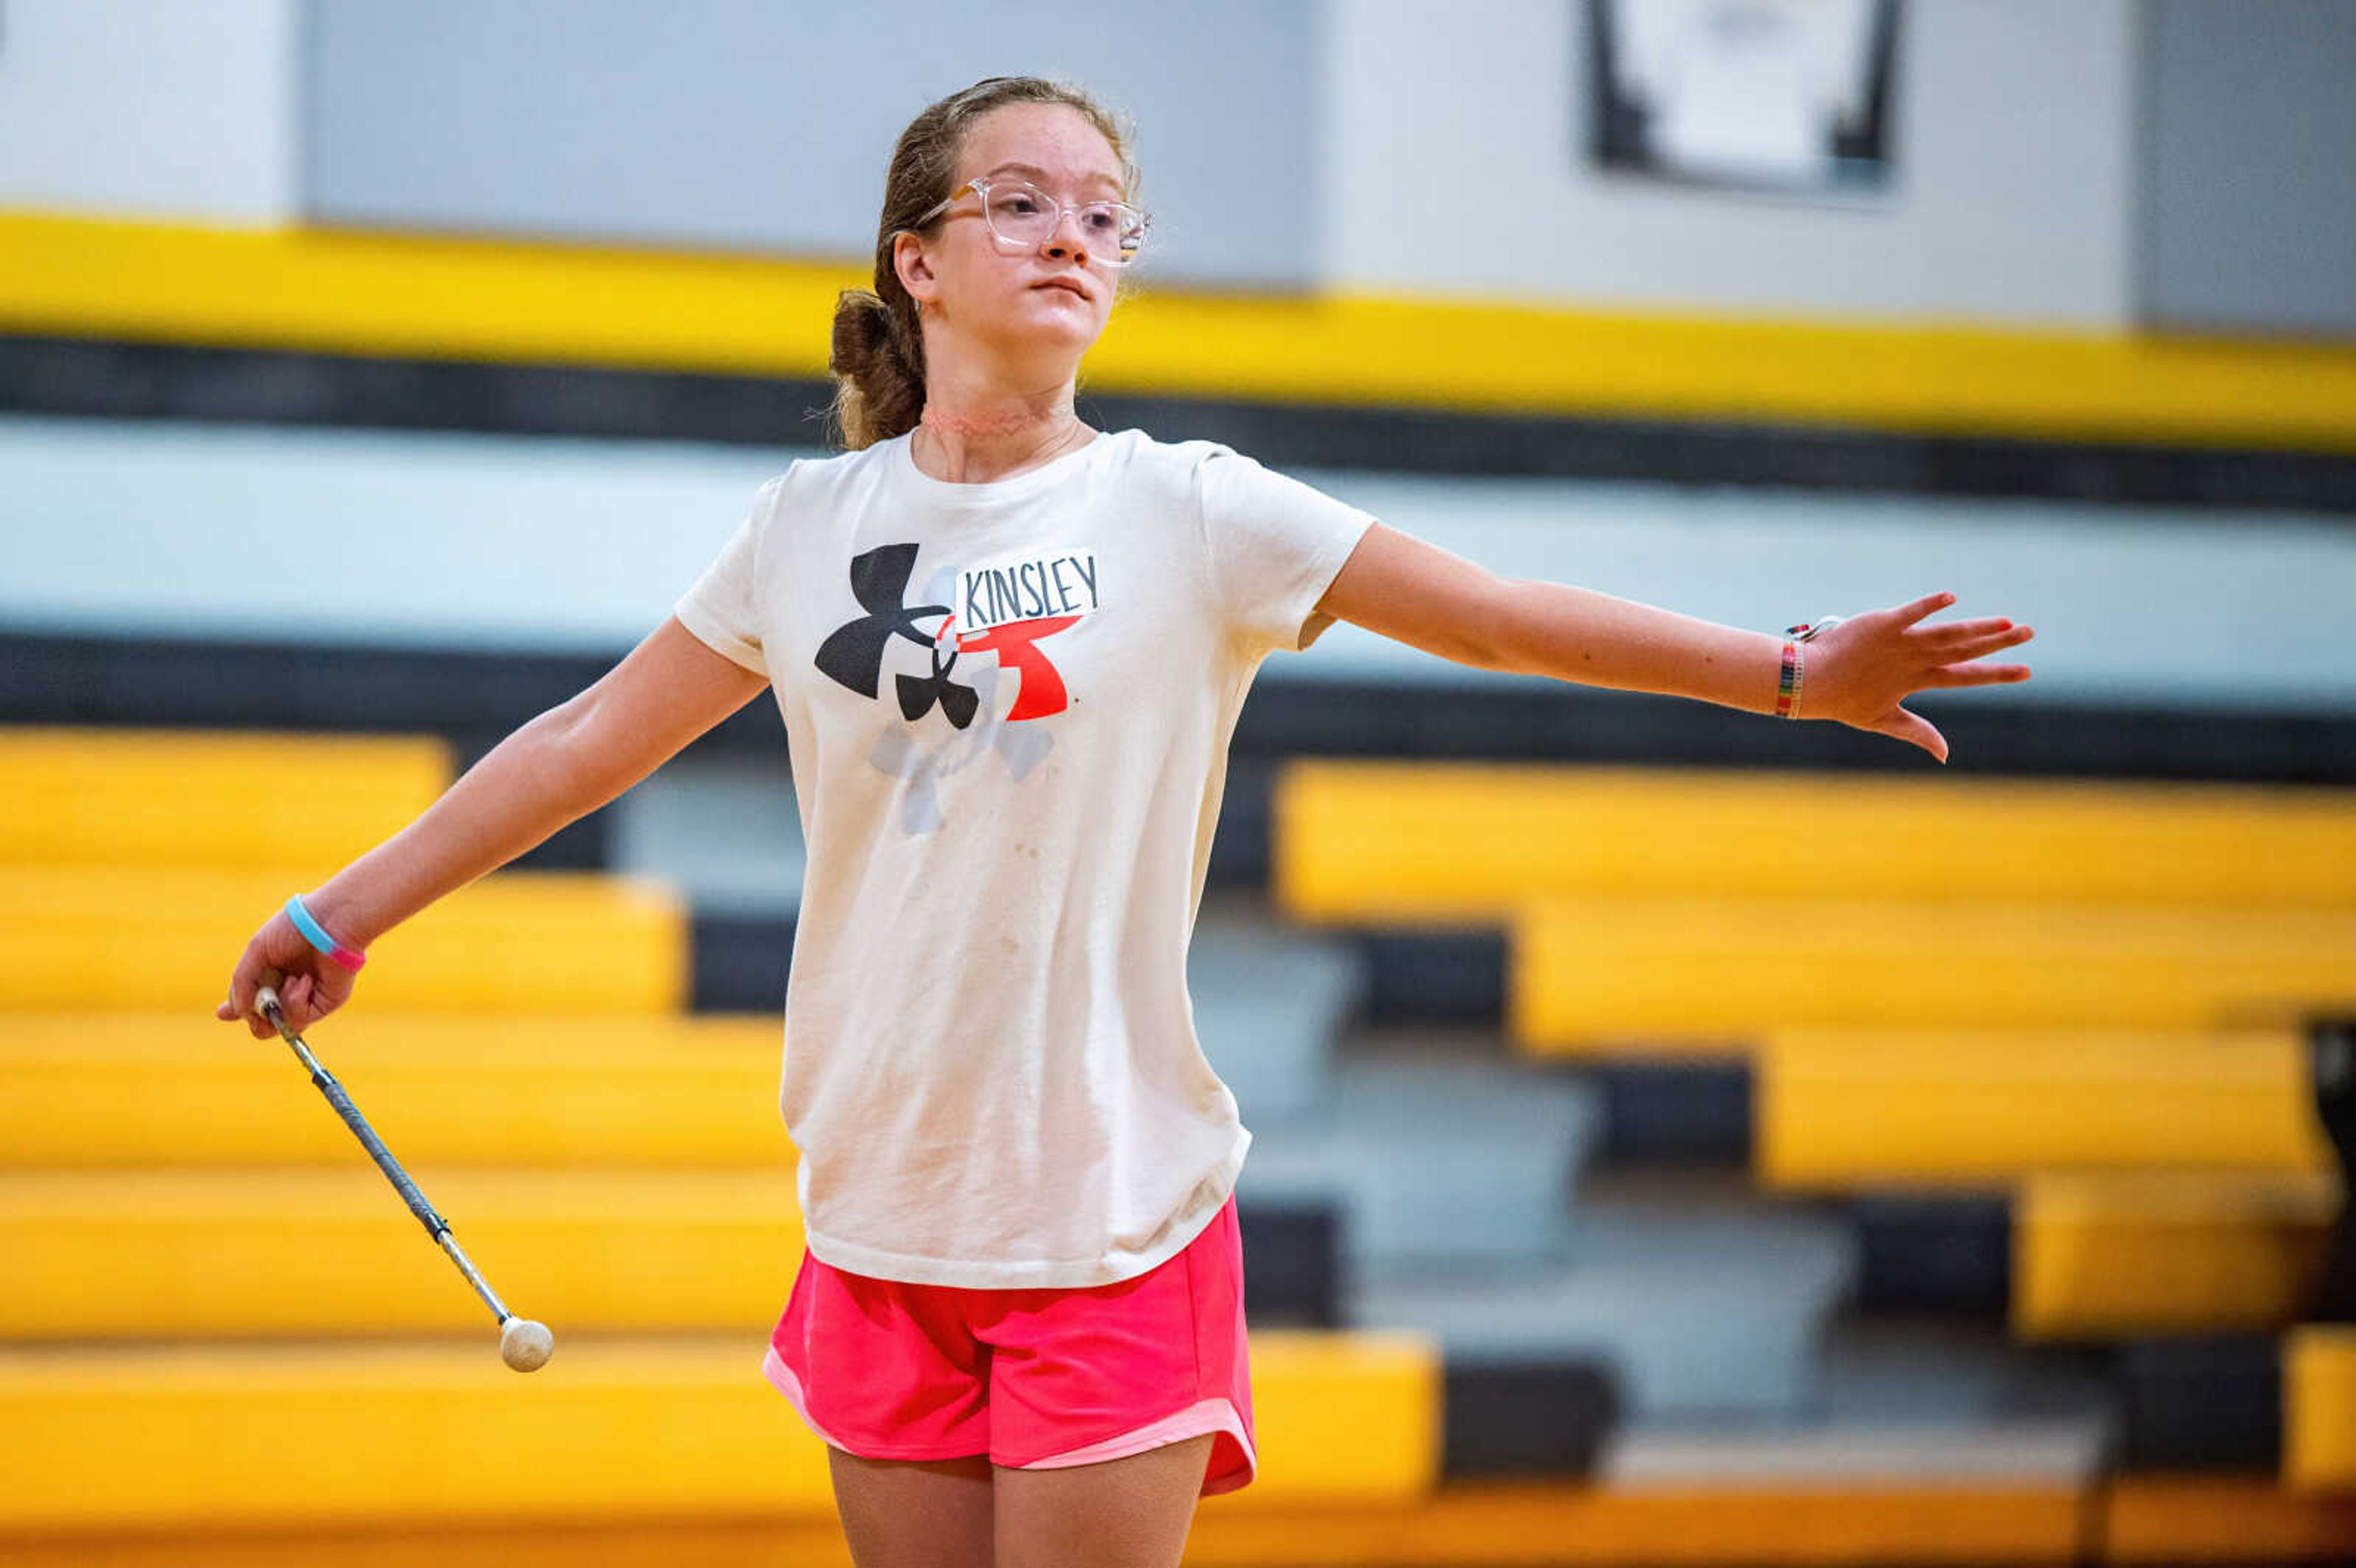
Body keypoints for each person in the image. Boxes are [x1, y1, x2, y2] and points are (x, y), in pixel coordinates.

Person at [217, 74, 2035, 1568]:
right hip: (878, 1214)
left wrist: (1789, 669)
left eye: (1104, 211)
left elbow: (1493, 614)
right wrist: (337, 913)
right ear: (918, 260)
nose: (1074, 231)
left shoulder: (1196, 512)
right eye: (1021, 202)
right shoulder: (805, 523)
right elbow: (588, 741)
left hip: (1105, 1218)